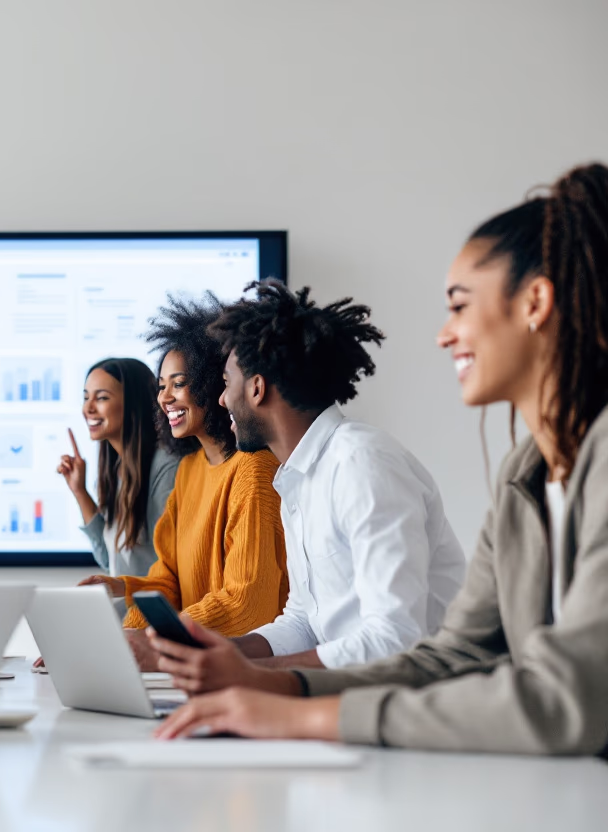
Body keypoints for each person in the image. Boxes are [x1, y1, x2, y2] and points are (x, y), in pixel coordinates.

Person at [153, 163, 608, 757]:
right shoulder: (524, 471)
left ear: (536, 303)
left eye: (460, 306)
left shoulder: (364, 462)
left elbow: (561, 700)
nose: (445, 335)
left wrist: (297, 712)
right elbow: (455, 654)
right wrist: (269, 685)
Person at [152, 281, 467, 678]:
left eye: (227, 384)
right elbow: (303, 623)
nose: (220, 399)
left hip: (414, 700)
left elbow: (396, 637)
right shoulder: (296, 479)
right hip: (355, 692)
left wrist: (256, 675)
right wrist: (206, 652)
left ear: (256, 388)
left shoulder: (361, 462)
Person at [78, 297, 289, 670]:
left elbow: (247, 602)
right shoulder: (190, 469)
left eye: (179, 384)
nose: (164, 398)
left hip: (249, 670)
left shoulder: (254, 470)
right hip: (199, 664)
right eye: (161, 386)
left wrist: (152, 640)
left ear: (213, 384)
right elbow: (169, 581)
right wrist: (122, 604)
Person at [57, 357, 182, 579]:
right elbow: (111, 562)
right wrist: (80, 491)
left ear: (134, 403)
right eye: (86, 398)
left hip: (155, 611)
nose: (88, 408)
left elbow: (173, 569)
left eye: (102, 398)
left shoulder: (166, 465)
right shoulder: (118, 470)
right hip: (127, 610)